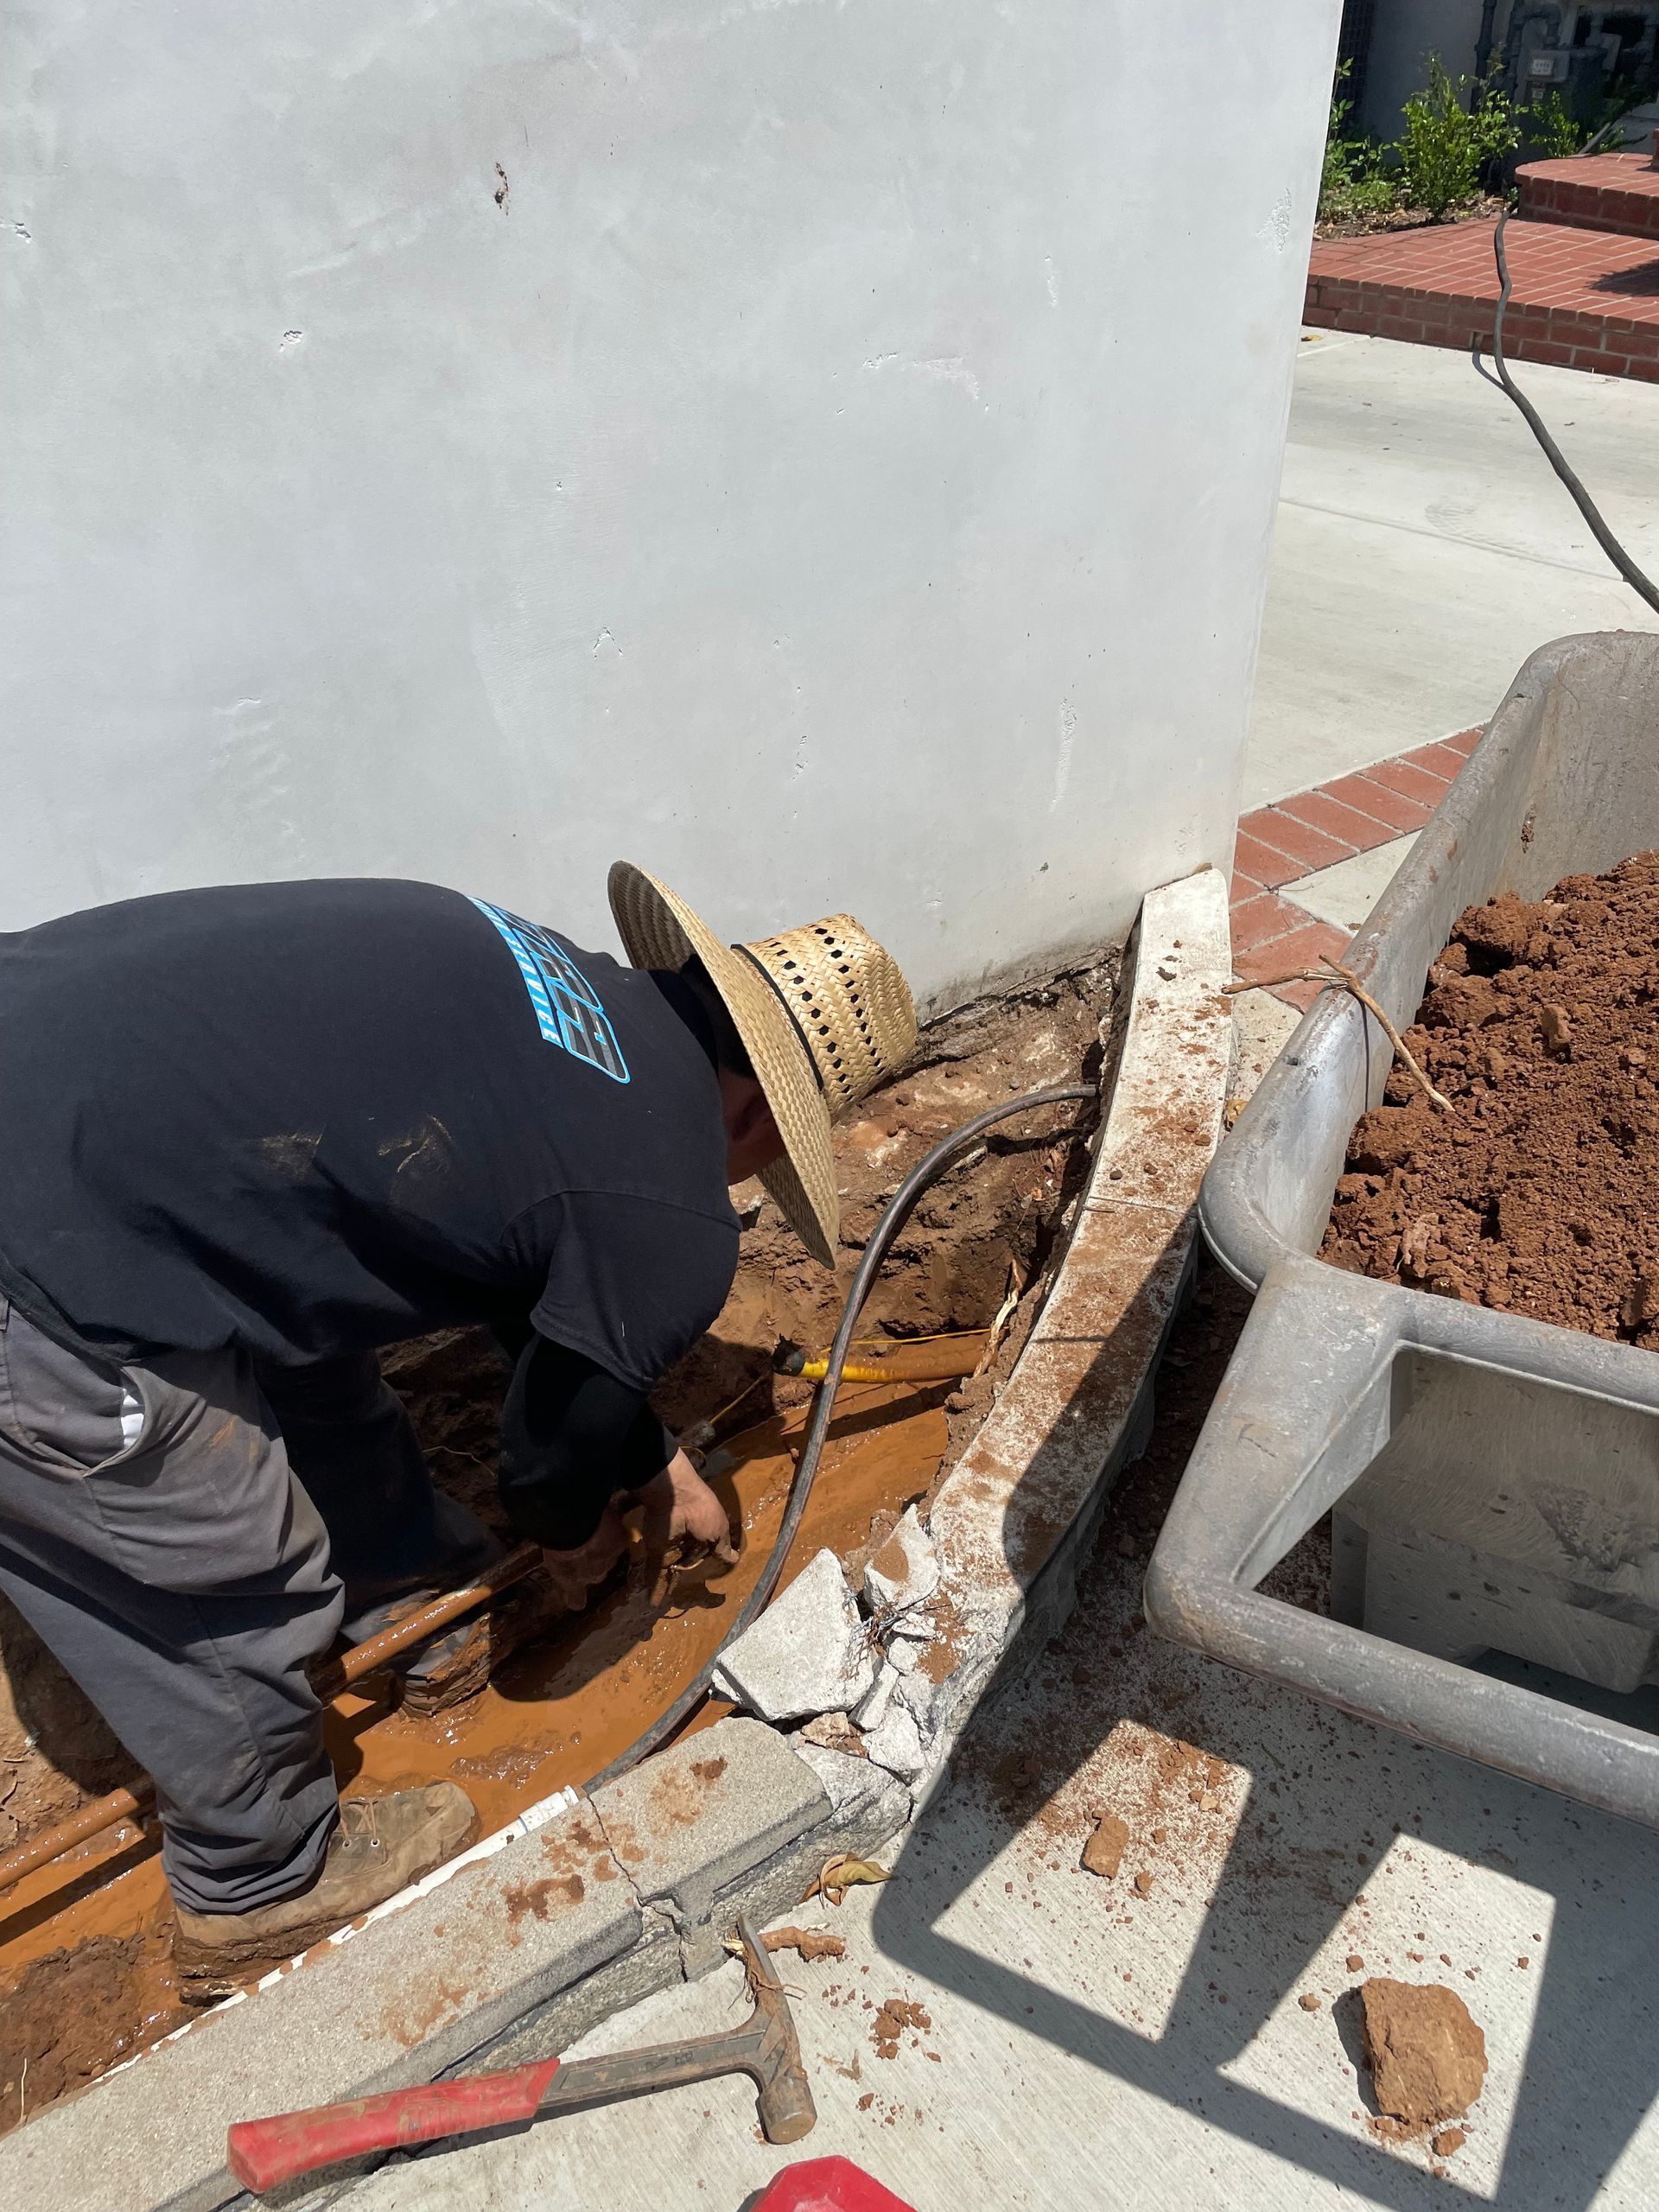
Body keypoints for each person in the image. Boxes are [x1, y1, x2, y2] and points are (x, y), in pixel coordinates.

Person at [0, 863, 915, 1998]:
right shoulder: (673, 1213)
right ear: (758, 1115)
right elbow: (538, 1466)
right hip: (31, 1251)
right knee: (226, 1574)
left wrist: (649, 1455)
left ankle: (402, 1582)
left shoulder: (520, 965)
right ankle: (259, 1887)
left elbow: (489, 1246)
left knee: (323, 1337)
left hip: (61, 1103)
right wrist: (575, 1522)